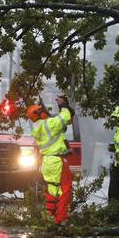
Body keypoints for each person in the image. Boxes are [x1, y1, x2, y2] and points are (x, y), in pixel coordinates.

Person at [27, 97, 74, 226]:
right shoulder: (50, 124)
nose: (46, 112)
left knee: (53, 191)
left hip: (47, 162)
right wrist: (63, 105)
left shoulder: (38, 127)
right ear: (40, 114)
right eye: (43, 110)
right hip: (57, 161)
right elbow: (65, 117)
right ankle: (61, 220)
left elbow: (60, 128)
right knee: (65, 191)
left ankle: (51, 218)